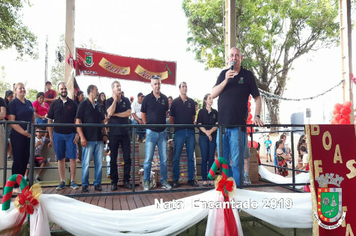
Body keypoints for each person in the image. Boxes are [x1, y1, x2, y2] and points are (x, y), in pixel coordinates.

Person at [211, 47, 264, 186]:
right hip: (222, 128)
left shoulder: (247, 75)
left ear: (241, 58)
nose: (234, 58)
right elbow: (213, 94)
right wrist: (225, 81)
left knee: (237, 163)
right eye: (231, 56)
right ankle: (225, 193)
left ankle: (238, 193)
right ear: (228, 59)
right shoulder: (223, 74)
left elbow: (257, 98)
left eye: (236, 56)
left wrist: (257, 115)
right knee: (223, 162)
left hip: (238, 128)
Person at [141, 75, 172, 191]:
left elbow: (165, 113)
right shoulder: (147, 98)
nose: (157, 86)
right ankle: (146, 181)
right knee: (148, 159)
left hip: (162, 133)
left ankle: (164, 181)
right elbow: (143, 114)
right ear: (151, 85)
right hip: (151, 133)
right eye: (155, 84)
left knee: (164, 159)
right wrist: (147, 126)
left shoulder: (164, 98)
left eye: (158, 83)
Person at [47, 82, 79, 190]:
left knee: (73, 158)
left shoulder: (73, 104)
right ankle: (62, 181)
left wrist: (78, 133)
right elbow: (49, 120)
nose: (64, 90)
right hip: (58, 134)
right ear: (58, 90)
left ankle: (73, 181)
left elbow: (78, 120)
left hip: (71, 134)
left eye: (65, 88)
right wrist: (51, 136)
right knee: (60, 158)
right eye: (61, 89)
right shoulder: (54, 104)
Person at [76, 85, 108, 192]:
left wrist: (105, 134)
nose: (98, 92)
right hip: (88, 139)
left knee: (99, 163)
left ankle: (97, 183)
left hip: (99, 138)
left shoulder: (99, 105)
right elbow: (78, 122)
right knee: (86, 162)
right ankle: (85, 184)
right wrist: (82, 137)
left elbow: (102, 121)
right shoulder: (83, 105)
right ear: (91, 91)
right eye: (96, 90)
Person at [170, 82, 198, 188]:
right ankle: (176, 179)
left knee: (190, 157)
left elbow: (193, 118)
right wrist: (178, 127)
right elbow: (171, 118)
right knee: (176, 156)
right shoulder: (175, 102)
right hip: (179, 132)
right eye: (183, 87)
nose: (185, 88)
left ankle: (191, 179)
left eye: (186, 86)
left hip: (190, 132)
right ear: (179, 89)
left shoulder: (191, 102)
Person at [7, 83, 35, 190]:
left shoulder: (28, 102)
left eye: (23, 88)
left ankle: (21, 181)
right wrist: (24, 132)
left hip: (29, 135)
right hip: (18, 135)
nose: (22, 90)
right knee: (18, 159)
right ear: (15, 91)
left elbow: (33, 117)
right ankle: (14, 185)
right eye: (20, 88)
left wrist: (33, 130)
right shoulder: (13, 104)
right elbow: (12, 121)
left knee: (25, 159)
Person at [106, 80, 132, 191]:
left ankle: (126, 180)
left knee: (127, 158)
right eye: (117, 86)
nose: (119, 88)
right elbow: (110, 113)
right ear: (113, 89)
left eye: (120, 86)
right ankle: (114, 181)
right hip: (113, 134)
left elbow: (128, 113)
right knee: (113, 159)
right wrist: (115, 100)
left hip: (125, 133)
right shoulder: (109, 101)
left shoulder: (126, 100)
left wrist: (116, 114)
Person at [197, 93, 218, 187]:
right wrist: (206, 132)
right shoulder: (201, 112)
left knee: (211, 158)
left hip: (213, 136)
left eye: (212, 98)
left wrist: (210, 132)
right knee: (204, 158)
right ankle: (204, 179)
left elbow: (217, 124)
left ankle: (210, 178)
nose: (211, 100)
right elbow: (199, 124)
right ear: (205, 100)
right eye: (209, 98)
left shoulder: (215, 112)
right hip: (203, 136)